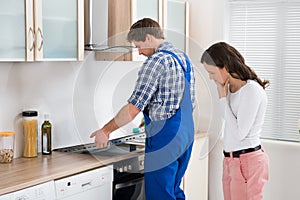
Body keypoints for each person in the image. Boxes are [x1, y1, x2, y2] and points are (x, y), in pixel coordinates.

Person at [90, 18, 195, 200]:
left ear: (148, 38)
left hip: (166, 138)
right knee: (174, 191)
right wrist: (152, 114)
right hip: (186, 135)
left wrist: (105, 131)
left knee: (159, 195)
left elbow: (133, 108)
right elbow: (176, 99)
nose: (139, 52)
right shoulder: (183, 57)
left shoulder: (155, 62)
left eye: (139, 46)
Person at [201, 42, 269, 200]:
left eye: (212, 72)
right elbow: (229, 122)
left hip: (247, 161)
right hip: (231, 160)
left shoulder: (251, 90)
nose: (210, 77)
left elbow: (239, 133)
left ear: (224, 66)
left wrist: (223, 99)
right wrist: (224, 97)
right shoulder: (230, 90)